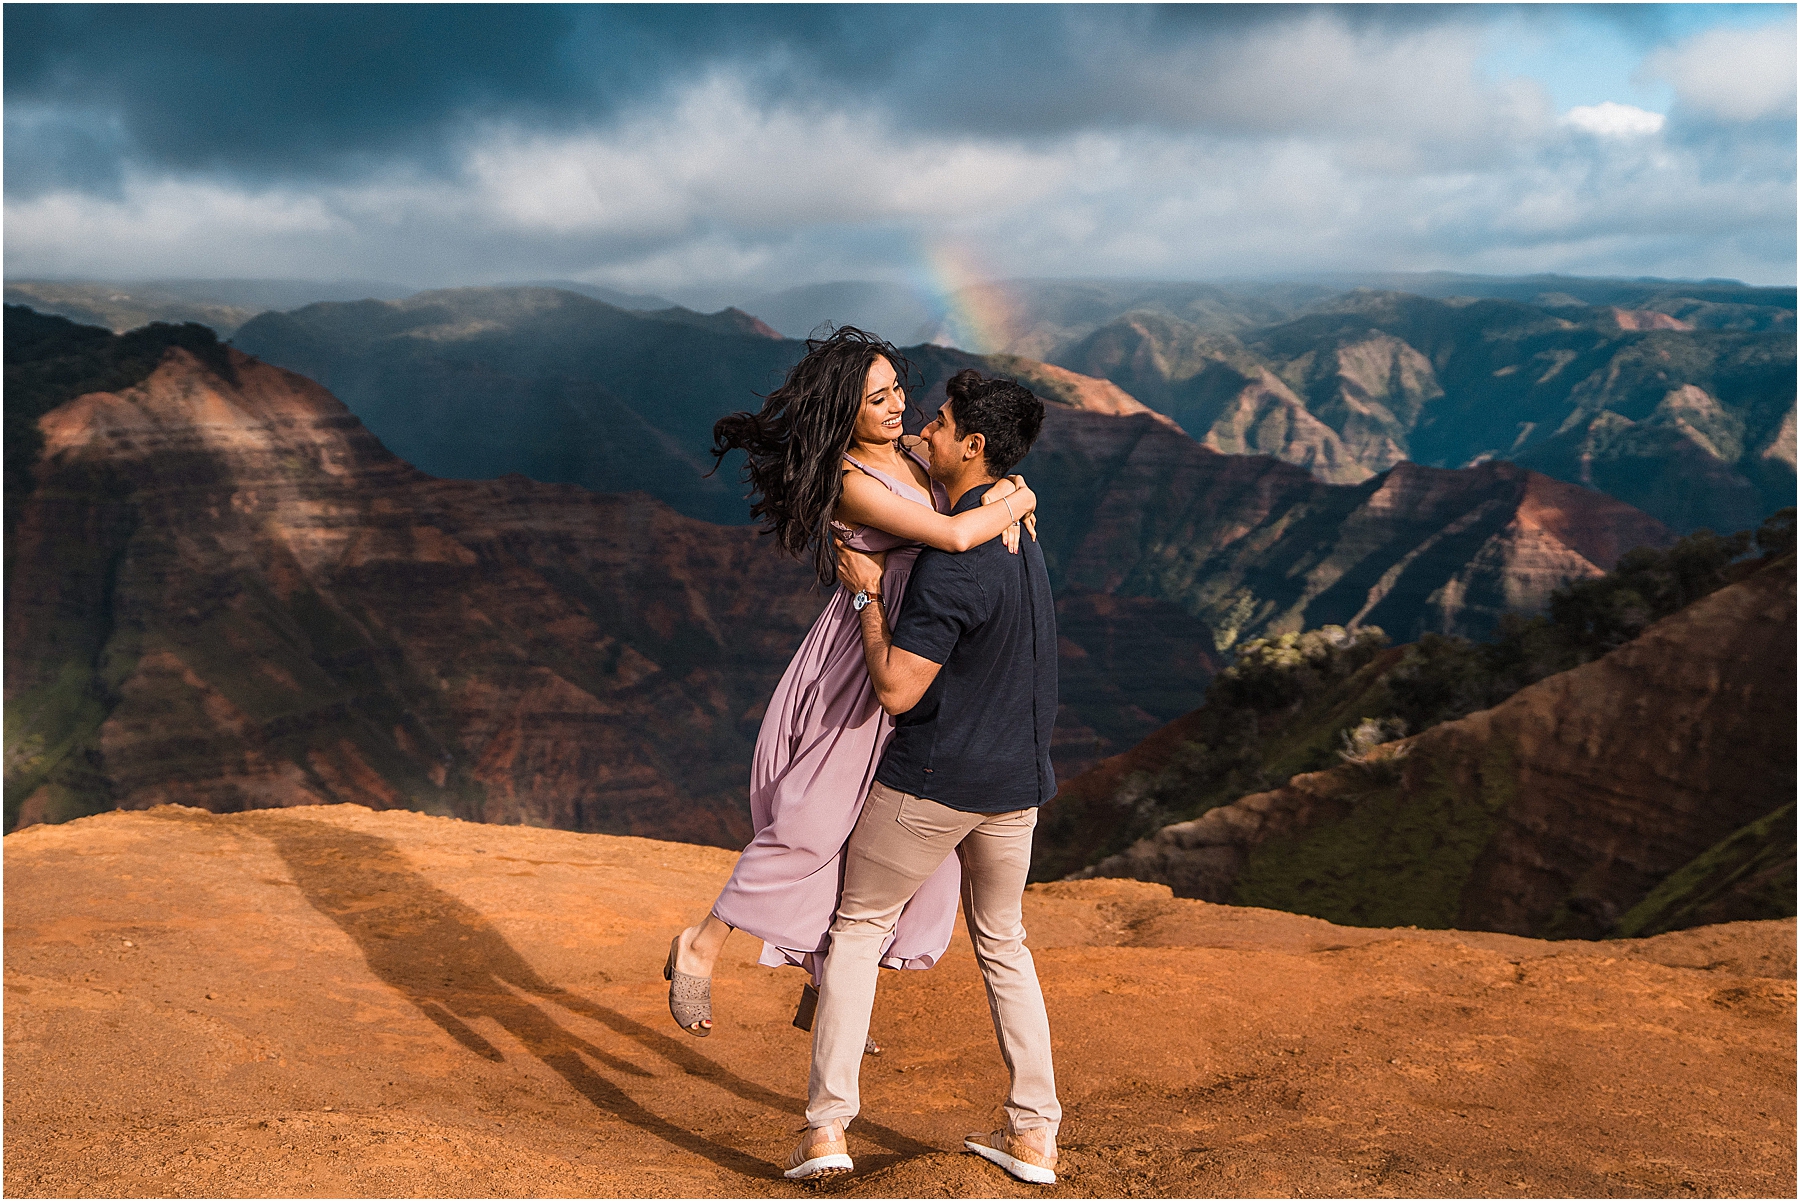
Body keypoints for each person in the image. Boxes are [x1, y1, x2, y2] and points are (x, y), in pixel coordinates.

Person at [664, 328, 1039, 1044]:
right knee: (812, 824)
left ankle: (827, 975)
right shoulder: (849, 480)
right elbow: (954, 536)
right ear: (845, 409)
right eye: (878, 398)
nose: (899, 406)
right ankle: (701, 944)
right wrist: (1017, 507)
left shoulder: (907, 454)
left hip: (917, 653)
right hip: (857, 665)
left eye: (899, 387)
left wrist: (1015, 488)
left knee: (878, 832)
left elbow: (979, 475)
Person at [783, 371, 1062, 1186]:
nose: (922, 434)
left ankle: (828, 1128)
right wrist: (1012, 488)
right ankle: (1035, 1135)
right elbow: (943, 463)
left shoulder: (955, 562)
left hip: (935, 783)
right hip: (1019, 788)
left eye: (938, 425)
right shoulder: (1018, 530)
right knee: (1004, 945)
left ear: (973, 446)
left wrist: (869, 597)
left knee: (858, 930)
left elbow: (899, 689)